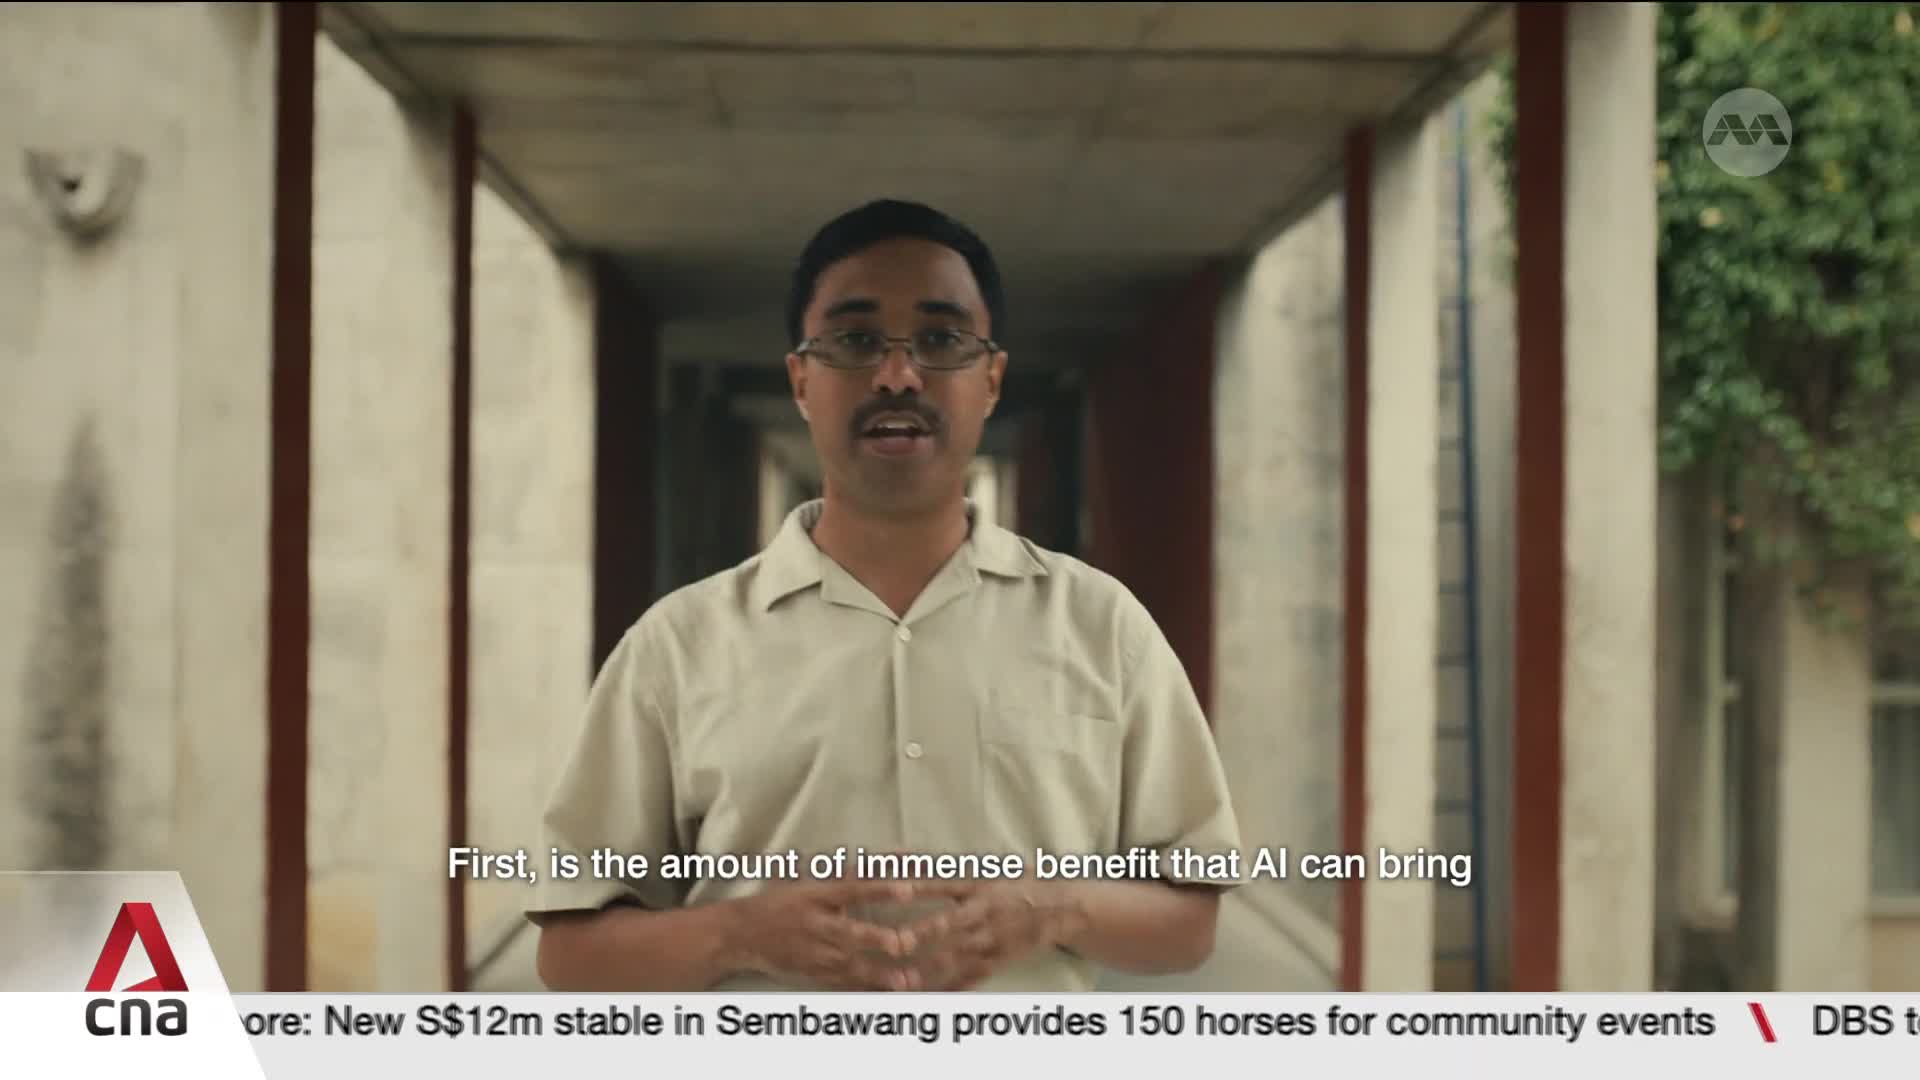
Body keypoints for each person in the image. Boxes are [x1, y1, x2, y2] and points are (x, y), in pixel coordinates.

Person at [528, 199, 1243, 992]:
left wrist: (1052, 911)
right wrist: (739, 933)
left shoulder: (1104, 627)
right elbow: (572, 952)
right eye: (856, 339)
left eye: (940, 340)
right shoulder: (678, 645)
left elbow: (1189, 919)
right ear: (801, 379)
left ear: (992, 379)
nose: (898, 374)